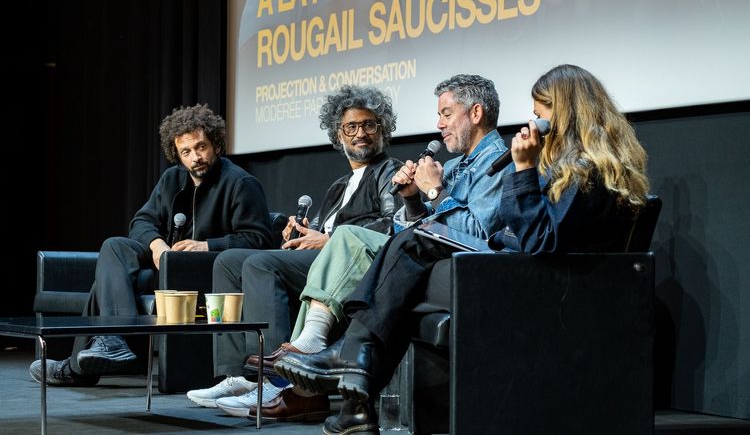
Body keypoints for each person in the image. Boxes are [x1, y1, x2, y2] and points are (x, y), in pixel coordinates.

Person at [275, 64, 650, 434]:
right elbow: (532, 232)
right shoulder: (567, 166)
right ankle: (356, 396)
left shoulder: (583, 170)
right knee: (411, 252)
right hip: (511, 265)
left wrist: (517, 171)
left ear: (565, 113)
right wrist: (417, 198)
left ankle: (351, 355)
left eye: (540, 114)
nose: (533, 124)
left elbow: (538, 241)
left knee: (412, 246)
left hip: (524, 276)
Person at [185, 85, 403, 418]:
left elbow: (394, 224)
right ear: (338, 135)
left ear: (382, 129)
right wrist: (298, 233)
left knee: (261, 264)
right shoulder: (338, 187)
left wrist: (327, 239)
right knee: (228, 261)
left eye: (369, 125)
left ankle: (275, 378)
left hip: (355, 265)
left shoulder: (390, 172)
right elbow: (317, 230)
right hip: (322, 263)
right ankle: (238, 375)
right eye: (351, 127)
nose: (360, 134)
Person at [29, 104, 274, 386]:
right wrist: (157, 245)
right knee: (115, 246)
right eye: (186, 152)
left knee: (102, 285)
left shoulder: (241, 183)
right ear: (177, 155)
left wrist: (206, 246)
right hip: (166, 267)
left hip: (206, 274)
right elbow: (142, 222)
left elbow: (259, 239)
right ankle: (112, 343)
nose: (195, 157)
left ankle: (84, 365)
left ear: (216, 145)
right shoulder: (172, 179)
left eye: (201, 147)